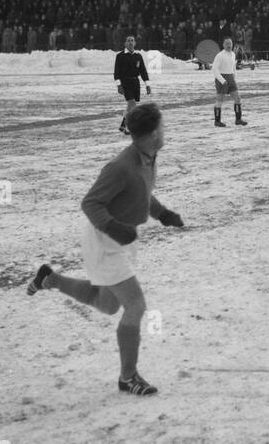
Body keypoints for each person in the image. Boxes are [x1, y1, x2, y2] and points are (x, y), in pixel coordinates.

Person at [27, 103, 183, 397]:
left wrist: (162, 214)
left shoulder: (148, 157)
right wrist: (113, 228)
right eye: (162, 127)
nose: (165, 131)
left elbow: (142, 193)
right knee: (135, 306)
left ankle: (51, 279)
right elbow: (90, 203)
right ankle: (128, 377)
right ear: (151, 134)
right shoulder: (120, 167)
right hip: (104, 239)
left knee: (108, 304)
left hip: (123, 238)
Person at [113, 35, 151, 135]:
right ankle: (130, 127)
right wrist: (118, 85)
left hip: (135, 83)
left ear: (135, 43)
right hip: (125, 82)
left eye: (132, 40)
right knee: (132, 104)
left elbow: (143, 71)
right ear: (125, 43)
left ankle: (123, 125)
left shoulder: (138, 56)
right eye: (128, 40)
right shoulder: (120, 56)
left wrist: (147, 84)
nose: (130, 42)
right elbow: (116, 72)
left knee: (130, 106)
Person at [211, 37, 247, 127]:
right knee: (220, 100)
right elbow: (214, 69)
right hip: (222, 79)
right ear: (223, 45)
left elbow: (233, 67)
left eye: (230, 43)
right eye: (226, 44)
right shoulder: (220, 55)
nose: (229, 45)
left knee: (237, 98)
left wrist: (234, 77)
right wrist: (222, 80)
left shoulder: (233, 54)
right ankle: (217, 121)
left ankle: (238, 119)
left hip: (230, 78)